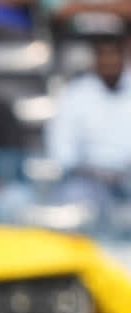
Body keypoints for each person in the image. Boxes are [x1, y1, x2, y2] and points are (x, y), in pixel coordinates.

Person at [46, 32, 131, 218]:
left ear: (123, 57)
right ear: (95, 59)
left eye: (114, 55)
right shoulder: (74, 94)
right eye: (104, 55)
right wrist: (91, 172)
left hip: (128, 178)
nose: (110, 61)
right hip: (87, 179)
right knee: (74, 200)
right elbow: (61, 150)